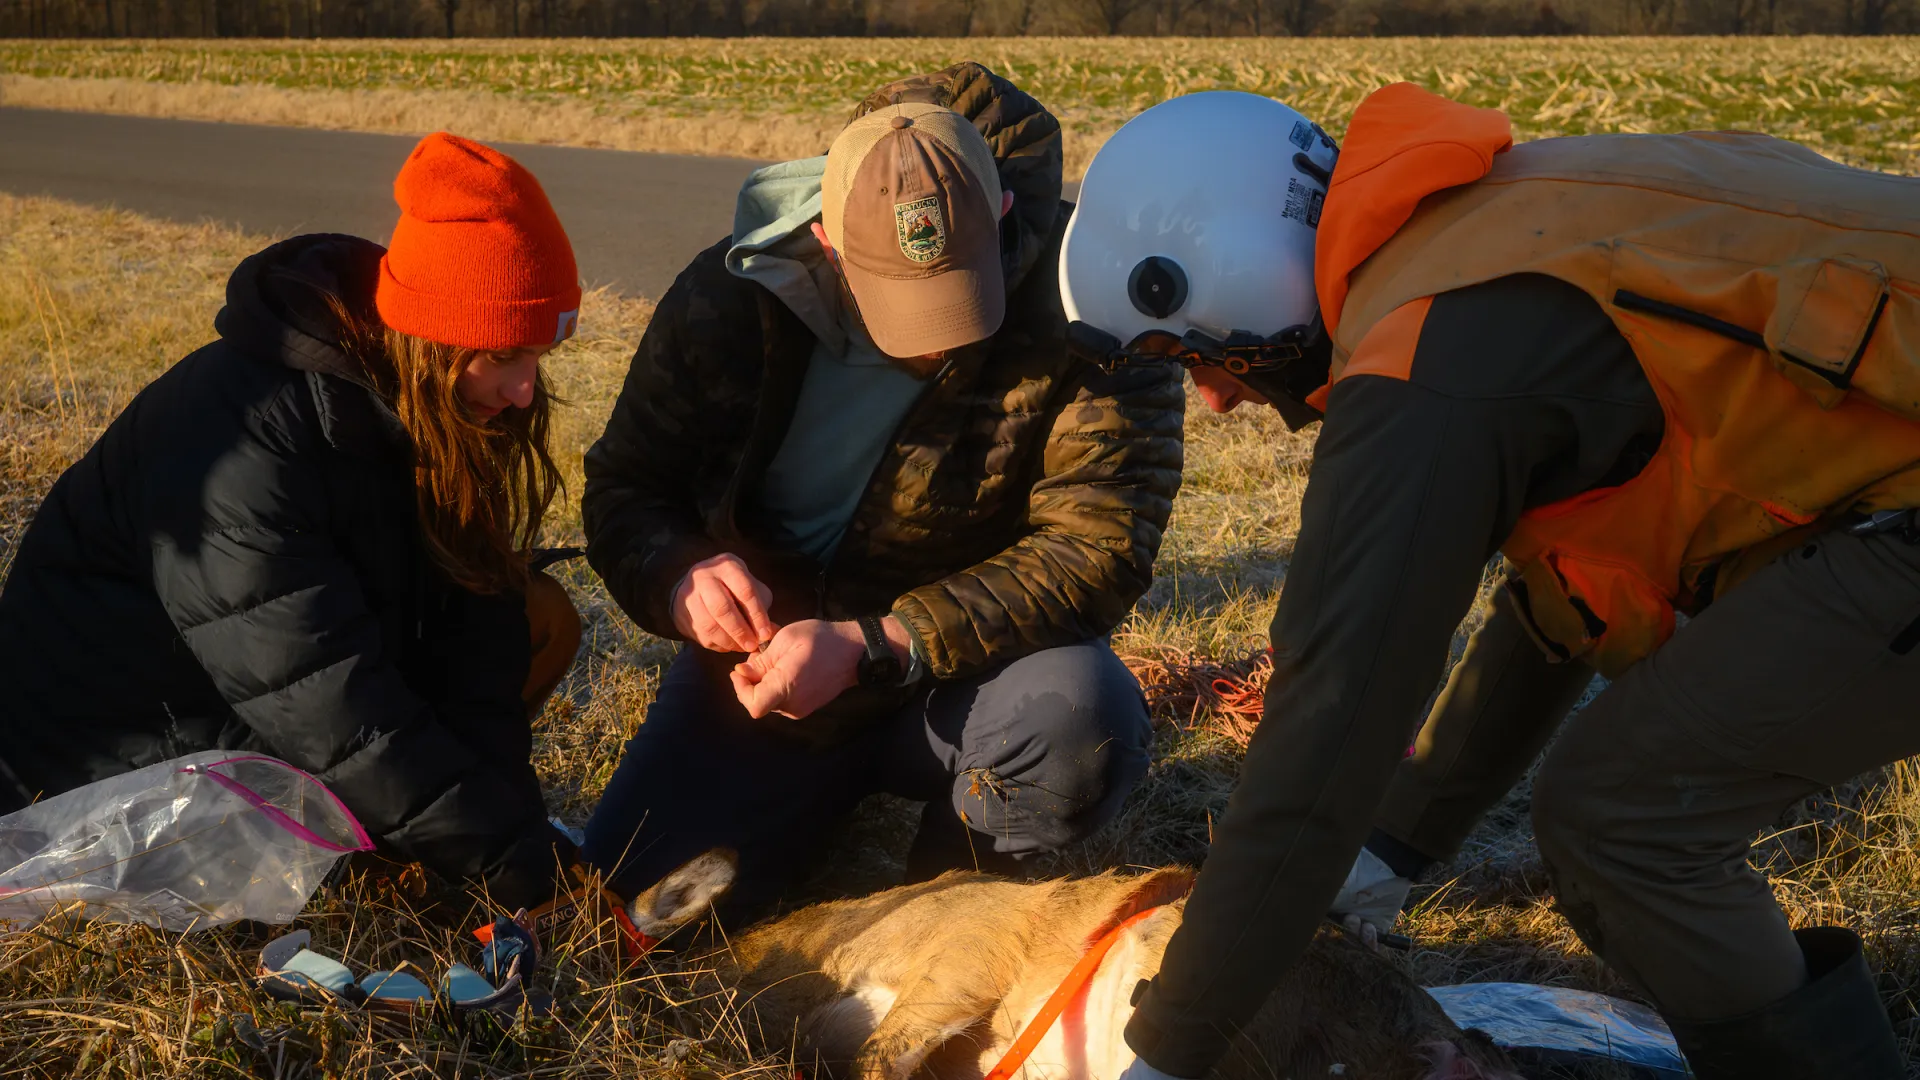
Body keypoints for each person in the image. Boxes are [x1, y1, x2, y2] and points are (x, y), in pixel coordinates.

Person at [1059, 85, 1918, 1080]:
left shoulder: (1428, 359)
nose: (1213, 399)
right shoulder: (1494, 239)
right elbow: (1572, 598)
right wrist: (1395, 843)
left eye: (1193, 355)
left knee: (1621, 818)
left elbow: (1328, 722)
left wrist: (1167, 1053)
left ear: (1233, 277)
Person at [580, 63, 1183, 918]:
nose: (933, 345)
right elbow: (624, 487)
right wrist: (678, 575)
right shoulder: (732, 295)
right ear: (826, 241)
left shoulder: (1093, 310)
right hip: (768, 680)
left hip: (966, 682)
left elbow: (1098, 547)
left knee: (1081, 717)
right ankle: (797, 800)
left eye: (958, 298)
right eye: (900, 305)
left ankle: (946, 906)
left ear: (1003, 214)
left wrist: (881, 642)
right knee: (626, 911)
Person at [0, 132, 587, 913]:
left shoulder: (441, 408)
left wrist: (518, 850)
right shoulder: (239, 441)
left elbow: (471, 641)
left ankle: (405, 852)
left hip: (255, 706)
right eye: (505, 355)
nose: (524, 390)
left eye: (540, 357)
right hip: (107, 757)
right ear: (431, 339)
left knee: (534, 615)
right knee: (366, 840)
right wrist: (505, 868)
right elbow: (325, 701)